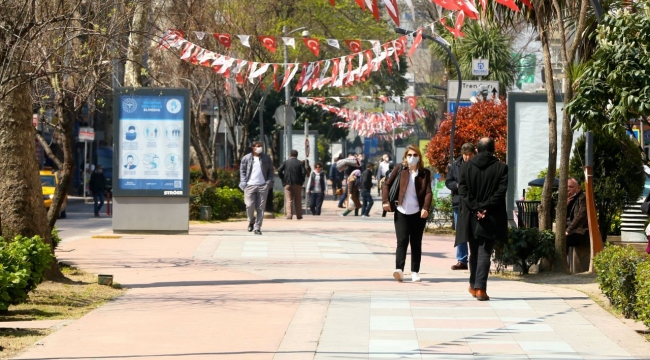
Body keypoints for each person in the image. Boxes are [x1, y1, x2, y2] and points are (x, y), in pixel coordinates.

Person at [457, 137, 508, 301]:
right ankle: (480, 288)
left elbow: (463, 191)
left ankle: (473, 285)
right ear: (493, 149)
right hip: (491, 215)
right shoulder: (501, 168)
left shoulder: (466, 167)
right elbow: (501, 192)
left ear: (477, 150)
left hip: (471, 215)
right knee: (485, 252)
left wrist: (476, 207)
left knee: (474, 252)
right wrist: (485, 207)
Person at [382, 144, 432, 283]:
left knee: (416, 242)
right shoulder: (400, 169)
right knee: (402, 241)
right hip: (401, 211)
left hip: (418, 212)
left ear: (419, 157)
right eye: (409, 155)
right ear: (405, 157)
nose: (412, 158)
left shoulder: (425, 173)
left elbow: (428, 192)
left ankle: (415, 272)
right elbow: (387, 185)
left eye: (415, 155)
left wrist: (426, 208)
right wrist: (385, 201)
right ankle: (399, 270)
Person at [446, 143, 476, 271]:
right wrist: (458, 185)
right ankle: (462, 260)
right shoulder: (455, 165)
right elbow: (448, 181)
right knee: (461, 231)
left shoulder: (479, 165)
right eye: (465, 155)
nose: (467, 157)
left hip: (475, 203)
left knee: (474, 231)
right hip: (459, 202)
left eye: (470, 154)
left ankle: (475, 258)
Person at [239, 141, 274, 235]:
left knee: (261, 208)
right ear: (253, 147)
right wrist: (243, 182)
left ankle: (257, 227)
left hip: (263, 185)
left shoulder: (266, 158)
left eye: (260, 146)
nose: (259, 148)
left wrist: (268, 183)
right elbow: (242, 171)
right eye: (257, 146)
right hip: (249, 185)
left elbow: (271, 171)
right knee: (249, 205)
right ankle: (251, 221)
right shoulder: (246, 158)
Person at [566, 177, 590, 271]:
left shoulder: (582, 197)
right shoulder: (567, 199)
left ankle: (565, 266)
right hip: (569, 230)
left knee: (564, 240)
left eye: (571, 187)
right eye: (567, 186)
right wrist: (565, 205)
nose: (568, 189)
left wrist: (568, 230)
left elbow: (581, 215)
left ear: (578, 188)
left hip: (580, 232)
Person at [278, 149, 306, 220]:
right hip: (298, 183)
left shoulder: (286, 162)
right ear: (297, 155)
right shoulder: (300, 163)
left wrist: (283, 178)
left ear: (290, 155)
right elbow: (303, 173)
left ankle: (289, 215)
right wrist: (302, 181)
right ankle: (299, 215)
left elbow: (279, 170)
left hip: (287, 183)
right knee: (298, 200)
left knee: (288, 200)